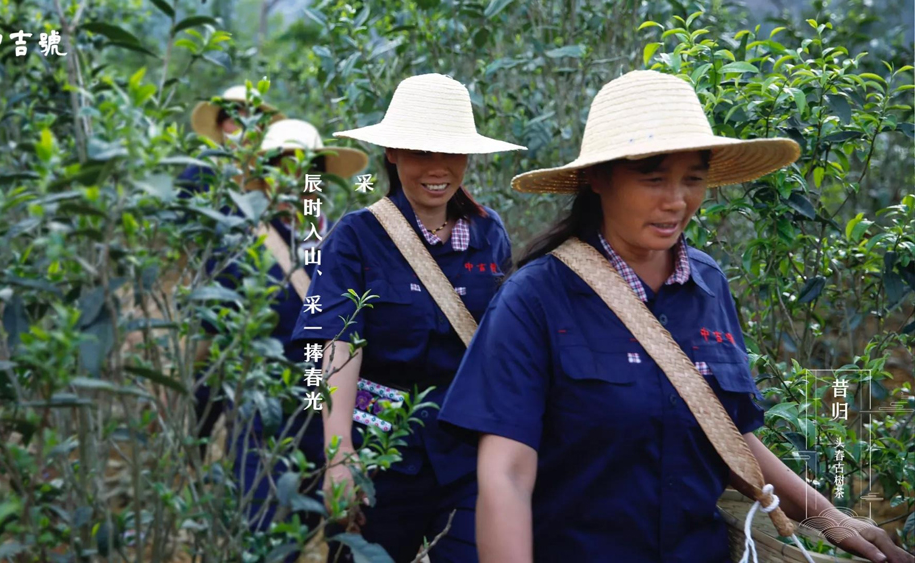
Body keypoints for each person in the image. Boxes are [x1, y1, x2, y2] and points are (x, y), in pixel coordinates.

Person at [438, 70, 911, 563]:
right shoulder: (534, 299)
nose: (677, 201)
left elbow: (726, 435)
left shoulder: (708, 287)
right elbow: (506, 475)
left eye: (693, 179)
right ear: (599, 178)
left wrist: (828, 519)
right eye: (654, 178)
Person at [290, 73, 525, 562]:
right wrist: (337, 455)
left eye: (451, 153)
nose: (437, 169)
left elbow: (502, 345)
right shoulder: (358, 237)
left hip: (467, 455)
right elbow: (334, 344)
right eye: (420, 152)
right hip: (378, 457)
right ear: (393, 153)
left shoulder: (488, 233)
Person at [179, 112, 369, 518]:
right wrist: (198, 415)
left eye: (305, 168)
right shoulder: (239, 246)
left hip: (328, 418)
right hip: (262, 416)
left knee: (319, 525)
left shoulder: (345, 242)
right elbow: (212, 338)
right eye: (280, 167)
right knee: (263, 530)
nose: (293, 180)